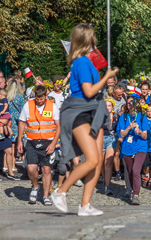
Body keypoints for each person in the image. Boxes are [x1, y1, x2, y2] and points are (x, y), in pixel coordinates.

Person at [51, 23, 119, 216]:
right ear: (88, 39)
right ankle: (61, 191)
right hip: (80, 111)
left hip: (93, 112)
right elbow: (88, 91)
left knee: (96, 162)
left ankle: (85, 205)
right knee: (92, 159)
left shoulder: (87, 62)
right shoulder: (80, 62)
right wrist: (107, 77)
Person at [17, 85, 60, 205]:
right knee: (31, 168)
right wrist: (19, 141)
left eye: (41, 98)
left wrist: (54, 143)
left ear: (46, 96)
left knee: (46, 169)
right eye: (37, 98)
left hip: (48, 142)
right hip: (32, 141)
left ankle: (46, 196)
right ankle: (35, 186)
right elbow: (22, 122)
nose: (39, 101)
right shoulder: (28, 105)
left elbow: (58, 126)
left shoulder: (53, 106)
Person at [117, 97, 149, 205]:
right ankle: (132, 189)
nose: (131, 104)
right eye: (129, 102)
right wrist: (129, 128)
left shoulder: (142, 117)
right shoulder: (123, 117)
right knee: (130, 172)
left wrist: (139, 131)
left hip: (140, 147)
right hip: (127, 148)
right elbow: (122, 134)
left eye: (133, 102)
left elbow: (145, 136)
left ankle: (136, 195)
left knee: (136, 170)